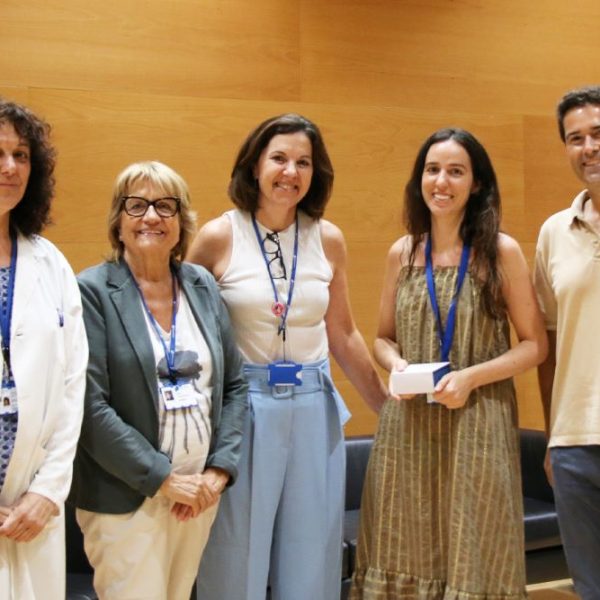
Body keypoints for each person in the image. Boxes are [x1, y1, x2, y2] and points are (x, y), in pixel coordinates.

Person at [187, 113, 388, 600]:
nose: (290, 172)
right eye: (279, 158)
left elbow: (343, 333)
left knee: (312, 551)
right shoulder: (219, 236)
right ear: (255, 165)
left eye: (304, 162)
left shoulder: (328, 238)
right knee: (236, 552)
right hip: (243, 406)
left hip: (313, 402)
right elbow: (184, 331)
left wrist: (385, 408)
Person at [351, 128, 547, 599]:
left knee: (476, 547)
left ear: (476, 184)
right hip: (409, 426)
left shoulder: (501, 252)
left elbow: (534, 345)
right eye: (432, 170)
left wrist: (471, 378)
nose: (441, 182)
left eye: (456, 171)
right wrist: (395, 364)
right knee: (403, 542)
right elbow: (382, 338)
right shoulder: (402, 252)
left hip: (477, 422)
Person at [69, 161, 248, 600]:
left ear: (181, 221)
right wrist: (164, 478)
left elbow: (234, 387)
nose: (151, 216)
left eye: (165, 206)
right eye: (137, 205)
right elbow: (89, 407)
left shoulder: (201, 285)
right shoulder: (91, 291)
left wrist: (218, 471)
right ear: (118, 220)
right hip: (128, 498)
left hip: (198, 495)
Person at [0, 99, 88, 598]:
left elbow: (74, 387)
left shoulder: (50, 263)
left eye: (21, 155)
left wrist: (49, 491)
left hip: (35, 505)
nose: (10, 167)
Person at [534, 85, 600, 600]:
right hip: (575, 443)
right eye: (575, 138)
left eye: (598, 134)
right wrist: (554, 436)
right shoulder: (554, 233)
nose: (588, 148)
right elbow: (548, 344)